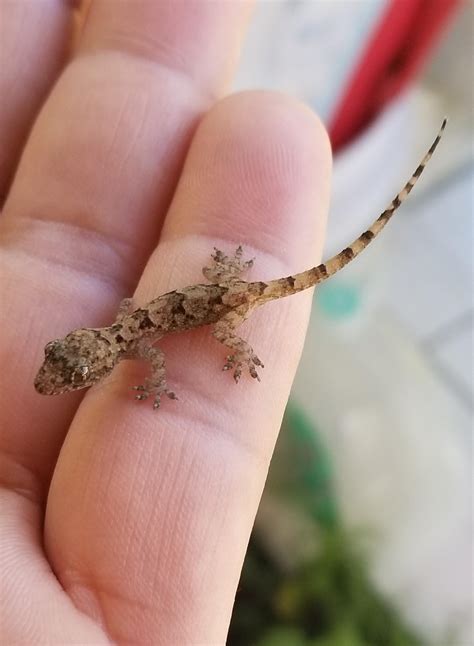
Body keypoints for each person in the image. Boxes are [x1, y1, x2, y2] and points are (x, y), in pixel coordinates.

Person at [0, 2, 331, 643]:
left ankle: (240, 337)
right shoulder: (126, 331)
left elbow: (152, 355)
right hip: (219, 287)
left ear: (93, 355)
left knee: (226, 331)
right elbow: (140, 329)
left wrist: (162, 378)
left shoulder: (135, 349)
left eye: (66, 370)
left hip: (229, 302)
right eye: (65, 368)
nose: (63, 375)